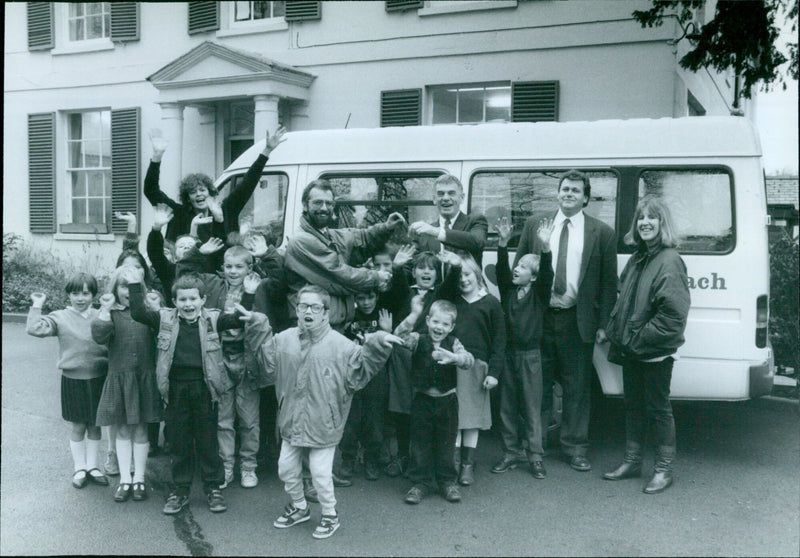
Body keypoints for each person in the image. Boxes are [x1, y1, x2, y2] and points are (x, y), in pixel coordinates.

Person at [253, 285, 403, 539]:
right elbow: (266, 363)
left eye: (315, 307)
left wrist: (378, 343)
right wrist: (256, 325)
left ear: (326, 312)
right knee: (286, 469)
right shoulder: (284, 339)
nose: (308, 311)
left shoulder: (341, 345)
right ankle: (300, 507)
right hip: (291, 419)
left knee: (321, 474)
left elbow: (362, 369)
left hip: (324, 423)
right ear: (296, 309)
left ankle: (330, 515)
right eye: (303, 306)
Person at [128, 271, 266, 515]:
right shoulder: (165, 319)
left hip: (205, 389)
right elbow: (138, 313)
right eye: (182, 300)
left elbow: (237, 320)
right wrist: (134, 284)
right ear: (174, 302)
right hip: (175, 389)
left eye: (193, 299)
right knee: (179, 442)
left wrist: (249, 293)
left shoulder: (213, 319)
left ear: (203, 300)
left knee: (207, 441)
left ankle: (213, 488)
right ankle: (180, 490)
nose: (188, 304)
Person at [514, 169, 617, 472]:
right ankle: (536, 446)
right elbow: (520, 268)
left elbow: (609, 284)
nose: (569, 194)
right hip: (540, 317)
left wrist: (602, 325)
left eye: (575, 190)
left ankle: (575, 448)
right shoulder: (536, 225)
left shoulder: (602, 233)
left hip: (577, 320)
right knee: (538, 384)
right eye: (564, 189)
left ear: (586, 198)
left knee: (577, 388)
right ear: (557, 193)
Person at [603, 196, 690, 494]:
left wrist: (636, 338)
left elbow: (672, 317)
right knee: (633, 407)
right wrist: (617, 332)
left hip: (652, 352)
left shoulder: (669, 259)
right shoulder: (639, 257)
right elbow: (622, 300)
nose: (645, 223)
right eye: (641, 218)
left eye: (652, 217)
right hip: (633, 350)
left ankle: (663, 470)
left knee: (658, 409)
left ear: (662, 223)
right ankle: (632, 462)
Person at [178, 242, 266, 489]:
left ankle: (248, 466)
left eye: (239, 266)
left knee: (249, 419)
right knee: (224, 419)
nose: (233, 271)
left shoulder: (261, 286)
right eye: (228, 266)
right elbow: (184, 274)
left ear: (250, 268)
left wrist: (264, 253)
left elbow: (280, 277)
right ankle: (226, 465)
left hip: (248, 360)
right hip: (220, 359)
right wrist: (198, 252)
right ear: (222, 267)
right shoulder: (214, 285)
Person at [283, 179, 407, 329]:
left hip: (333, 328)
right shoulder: (301, 240)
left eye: (329, 204)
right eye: (318, 203)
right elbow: (339, 275)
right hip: (313, 330)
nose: (324, 208)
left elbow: (361, 239)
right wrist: (376, 277)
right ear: (305, 205)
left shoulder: (329, 236)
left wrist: (386, 228)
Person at [26, 275, 109, 489]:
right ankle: (79, 467)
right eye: (75, 293)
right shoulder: (60, 317)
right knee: (79, 425)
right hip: (73, 380)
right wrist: (37, 305)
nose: (80, 298)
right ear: (68, 295)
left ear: (93, 295)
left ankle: (93, 466)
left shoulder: (101, 315)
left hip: (99, 378)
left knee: (95, 424)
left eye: (85, 293)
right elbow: (35, 329)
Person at [143, 126, 286, 244]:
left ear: (210, 192)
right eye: (193, 192)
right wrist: (157, 156)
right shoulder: (180, 214)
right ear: (188, 198)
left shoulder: (227, 209)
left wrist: (266, 151)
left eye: (202, 190)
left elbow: (247, 184)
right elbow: (151, 190)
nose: (198, 194)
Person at [394, 297, 475, 505]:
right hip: (422, 401)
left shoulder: (454, 343)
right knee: (420, 443)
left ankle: (447, 482)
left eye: (445, 324)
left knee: (446, 444)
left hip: (447, 402)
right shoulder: (418, 339)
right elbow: (399, 336)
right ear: (428, 320)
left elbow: (468, 361)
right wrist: (413, 315)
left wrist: (456, 358)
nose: (440, 327)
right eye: (436, 322)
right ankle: (421, 483)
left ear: (452, 327)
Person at [92, 265, 162, 503]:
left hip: (144, 377)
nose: (127, 291)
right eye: (123, 285)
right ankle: (125, 479)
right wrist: (104, 308)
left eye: (132, 286)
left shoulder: (148, 313)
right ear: (115, 288)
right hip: (121, 378)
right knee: (122, 429)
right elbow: (99, 336)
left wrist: (155, 305)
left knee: (142, 429)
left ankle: (139, 478)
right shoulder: (111, 313)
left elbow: (163, 327)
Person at [491, 217, 554, 480]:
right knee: (506, 406)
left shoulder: (539, 294)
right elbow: (502, 272)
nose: (517, 269)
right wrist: (503, 244)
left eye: (524, 267)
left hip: (530, 357)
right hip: (508, 356)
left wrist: (546, 247)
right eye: (517, 265)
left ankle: (535, 456)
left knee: (531, 407)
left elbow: (548, 274)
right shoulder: (508, 292)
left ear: (534, 276)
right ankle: (510, 452)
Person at [439, 251, 506, 486]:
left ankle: (467, 464)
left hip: (478, 369)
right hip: (453, 367)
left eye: (467, 274)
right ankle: (454, 462)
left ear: (477, 274)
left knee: (473, 419)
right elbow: (444, 290)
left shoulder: (491, 304)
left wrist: (494, 373)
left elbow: (499, 342)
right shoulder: (452, 300)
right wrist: (455, 268)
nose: (463, 280)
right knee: (455, 418)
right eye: (459, 276)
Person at [337, 289, 393, 482]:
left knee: (374, 419)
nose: (366, 302)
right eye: (361, 297)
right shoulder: (349, 316)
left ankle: (371, 459)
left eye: (370, 296)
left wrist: (387, 330)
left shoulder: (383, 315)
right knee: (350, 419)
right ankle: (348, 458)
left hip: (376, 375)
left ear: (377, 296)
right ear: (354, 298)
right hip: (352, 372)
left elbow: (388, 347)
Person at [408, 174, 488, 269]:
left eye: (451, 193)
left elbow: (477, 242)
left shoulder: (475, 221)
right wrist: (397, 267)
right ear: (434, 199)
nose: (445, 198)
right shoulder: (424, 234)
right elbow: (413, 269)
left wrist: (437, 232)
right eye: (441, 194)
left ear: (462, 198)